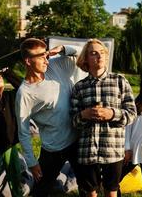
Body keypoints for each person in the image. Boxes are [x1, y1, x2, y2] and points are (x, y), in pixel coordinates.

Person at [15, 38, 85, 197]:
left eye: (46, 55)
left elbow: (82, 53)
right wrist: (31, 162)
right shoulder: (25, 93)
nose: (46, 60)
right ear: (28, 61)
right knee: (41, 190)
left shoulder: (55, 65)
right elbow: (24, 131)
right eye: (40, 57)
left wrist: (62, 49)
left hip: (77, 139)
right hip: (54, 148)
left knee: (87, 184)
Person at [70, 39, 137, 197]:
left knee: (111, 192)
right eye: (93, 53)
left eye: (102, 53)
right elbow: (72, 121)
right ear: (86, 58)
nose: (98, 56)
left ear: (106, 57)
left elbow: (132, 113)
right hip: (87, 151)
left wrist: (112, 114)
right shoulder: (79, 87)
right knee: (90, 193)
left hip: (112, 150)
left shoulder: (120, 81)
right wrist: (83, 115)